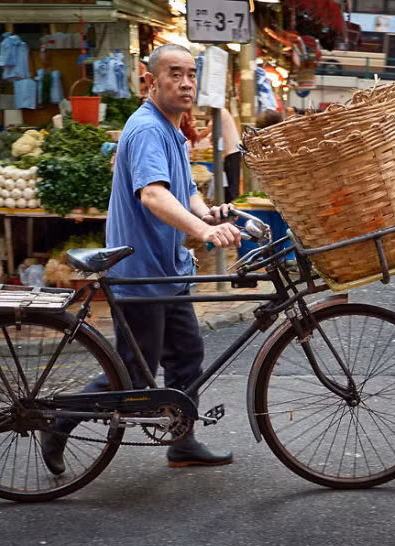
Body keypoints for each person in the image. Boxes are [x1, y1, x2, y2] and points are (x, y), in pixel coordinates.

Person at [40, 44, 242, 474]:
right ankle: (60, 421)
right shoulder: (149, 128)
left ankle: (182, 441)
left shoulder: (171, 127)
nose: (185, 83)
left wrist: (206, 214)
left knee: (186, 356)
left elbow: (182, 189)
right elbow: (152, 194)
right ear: (151, 81)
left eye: (191, 74)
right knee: (132, 377)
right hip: (142, 273)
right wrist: (203, 231)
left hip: (169, 271)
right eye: (174, 74)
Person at [197, 107, 242, 203]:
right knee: (227, 184)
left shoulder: (221, 112)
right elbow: (212, 136)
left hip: (232, 152)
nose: (207, 109)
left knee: (232, 185)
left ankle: (233, 206)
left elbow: (207, 131)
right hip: (227, 154)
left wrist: (194, 139)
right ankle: (227, 204)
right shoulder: (216, 115)